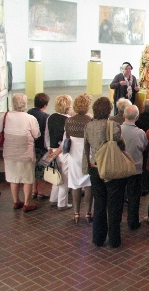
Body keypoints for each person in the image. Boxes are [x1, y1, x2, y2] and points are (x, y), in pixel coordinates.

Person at [82, 97, 126, 248]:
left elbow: (86, 147)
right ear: (108, 110)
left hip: (95, 167)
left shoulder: (88, 126)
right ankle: (114, 240)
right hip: (110, 167)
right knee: (114, 204)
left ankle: (98, 238)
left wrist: (85, 166)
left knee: (99, 204)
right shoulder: (113, 125)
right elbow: (121, 145)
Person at [0, 93, 40, 212]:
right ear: (25, 104)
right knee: (27, 179)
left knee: (13, 178)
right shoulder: (30, 118)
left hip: (9, 153)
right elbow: (36, 135)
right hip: (26, 153)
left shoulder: (5, 116)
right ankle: (27, 203)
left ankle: (16, 201)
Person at [65, 93, 93, 223]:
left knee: (75, 183)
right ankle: (88, 212)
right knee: (88, 184)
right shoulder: (91, 121)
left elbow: (66, 138)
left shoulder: (69, 121)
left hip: (73, 154)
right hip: (87, 154)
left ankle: (76, 213)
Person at [120, 105, 148, 230]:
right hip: (135, 169)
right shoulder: (141, 133)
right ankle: (133, 222)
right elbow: (144, 147)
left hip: (119, 169)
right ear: (137, 117)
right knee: (134, 197)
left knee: (118, 196)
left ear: (123, 116)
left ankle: (117, 220)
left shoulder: (117, 130)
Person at [45, 94, 72, 211]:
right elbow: (66, 140)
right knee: (64, 178)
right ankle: (62, 203)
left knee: (56, 174)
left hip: (52, 149)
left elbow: (47, 134)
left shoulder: (50, 117)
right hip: (63, 152)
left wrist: (49, 148)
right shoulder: (68, 120)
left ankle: (53, 198)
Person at [27, 93, 50, 199]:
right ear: (45, 105)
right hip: (41, 146)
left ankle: (33, 190)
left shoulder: (28, 113)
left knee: (32, 168)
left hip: (29, 146)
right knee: (41, 169)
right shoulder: (45, 117)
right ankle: (41, 192)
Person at [135, 99, 149, 196]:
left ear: (143, 107)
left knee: (141, 165)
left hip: (140, 144)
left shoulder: (138, 118)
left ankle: (139, 186)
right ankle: (145, 186)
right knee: (147, 166)